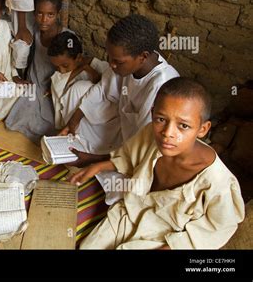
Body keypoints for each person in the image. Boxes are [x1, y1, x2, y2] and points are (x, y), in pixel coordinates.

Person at [70, 78, 245, 249]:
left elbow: (220, 228)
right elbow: (128, 158)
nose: (167, 133)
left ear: (202, 129)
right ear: (152, 113)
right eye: (161, 119)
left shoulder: (217, 182)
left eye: (183, 126)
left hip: (163, 238)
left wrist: (172, 246)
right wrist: (97, 167)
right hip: (127, 215)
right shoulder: (150, 136)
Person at [60, 14, 180, 155]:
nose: (111, 65)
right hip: (122, 130)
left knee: (116, 170)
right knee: (79, 91)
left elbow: (145, 143)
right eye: (109, 58)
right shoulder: (126, 65)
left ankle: (104, 159)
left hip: (143, 147)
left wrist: (94, 160)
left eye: (118, 61)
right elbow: (102, 90)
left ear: (143, 56)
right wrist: (72, 123)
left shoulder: (161, 85)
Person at [5, 0, 67, 142]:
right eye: (39, 13)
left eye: (50, 15)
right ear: (34, 13)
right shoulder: (33, 31)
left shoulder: (66, 38)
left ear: (57, 14)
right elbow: (7, 25)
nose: (44, 20)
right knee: (17, 119)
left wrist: (55, 88)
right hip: (34, 84)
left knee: (51, 125)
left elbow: (71, 70)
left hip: (53, 89)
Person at [47, 31, 108, 136]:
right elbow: (57, 86)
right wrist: (81, 68)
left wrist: (87, 68)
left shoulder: (99, 66)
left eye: (65, 65)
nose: (61, 70)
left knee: (79, 88)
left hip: (94, 119)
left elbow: (104, 87)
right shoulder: (67, 69)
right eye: (57, 67)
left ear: (79, 58)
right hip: (68, 120)